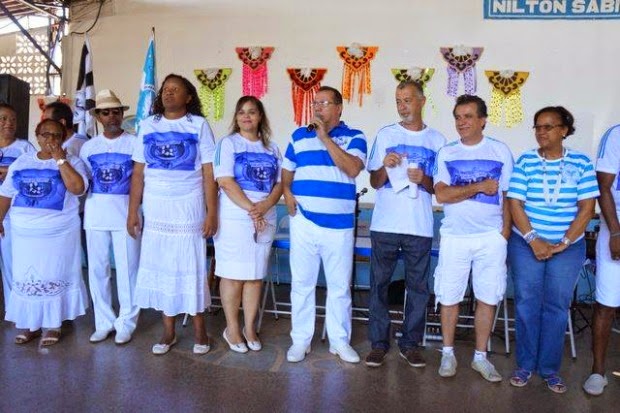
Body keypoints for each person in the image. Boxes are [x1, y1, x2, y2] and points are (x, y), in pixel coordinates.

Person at [507, 106, 598, 393]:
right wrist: (533, 239)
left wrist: (564, 243)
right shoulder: (526, 161)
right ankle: (525, 365)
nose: (541, 132)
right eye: (538, 127)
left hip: (568, 247)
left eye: (548, 126)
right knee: (526, 303)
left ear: (564, 130)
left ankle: (549, 369)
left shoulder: (581, 163)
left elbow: (587, 208)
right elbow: (515, 203)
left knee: (557, 306)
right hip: (526, 244)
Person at [128, 73, 218, 355]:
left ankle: (200, 330)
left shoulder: (198, 124)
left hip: (188, 204)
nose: (168, 93)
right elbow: (138, 172)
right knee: (162, 262)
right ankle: (168, 332)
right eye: (165, 89)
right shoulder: (148, 125)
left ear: (188, 97)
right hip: (156, 206)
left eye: (175, 89)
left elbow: (209, 172)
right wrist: (133, 211)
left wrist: (211, 213)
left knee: (190, 263)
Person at [282, 86, 367, 364]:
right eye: (315, 103)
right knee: (302, 283)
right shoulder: (298, 136)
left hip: (339, 225)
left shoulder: (355, 137)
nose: (317, 107)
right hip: (304, 221)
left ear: (339, 108)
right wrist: (287, 192)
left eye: (324, 103)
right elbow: (287, 172)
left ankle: (339, 341)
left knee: (339, 286)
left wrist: (324, 138)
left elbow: (352, 168)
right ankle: (300, 341)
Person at [364, 81, 446, 367]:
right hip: (385, 224)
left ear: (422, 101)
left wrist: (423, 179)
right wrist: (384, 166)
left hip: (419, 226)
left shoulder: (438, 140)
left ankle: (410, 344)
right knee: (379, 285)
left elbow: (440, 189)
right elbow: (375, 182)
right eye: (398, 100)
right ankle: (378, 343)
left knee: (419, 288)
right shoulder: (386, 134)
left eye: (408, 100)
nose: (402, 106)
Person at [433, 95, 513, 382]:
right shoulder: (447, 152)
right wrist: (479, 186)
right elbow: (442, 194)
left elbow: (508, 196)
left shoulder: (500, 151)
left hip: (491, 238)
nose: (461, 122)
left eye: (468, 116)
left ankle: (481, 357)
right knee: (449, 296)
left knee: (487, 297)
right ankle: (447, 353)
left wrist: (504, 234)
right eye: (458, 117)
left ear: (482, 120)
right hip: (455, 237)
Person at [0, 118, 89, 346]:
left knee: (54, 276)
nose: (51, 139)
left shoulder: (73, 162)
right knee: (27, 277)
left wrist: (60, 159)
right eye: (45, 134)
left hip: (58, 235)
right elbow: (7, 194)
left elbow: (78, 188)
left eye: (56, 135)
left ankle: (53, 325)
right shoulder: (21, 162)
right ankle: (31, 324)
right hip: (24, 235)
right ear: (37, 137)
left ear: (63, 138)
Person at [213, 96, 282, 353]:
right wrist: (252, 209)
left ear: (260, 116)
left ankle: (249, 327)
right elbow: (225, 181)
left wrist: (265, 206)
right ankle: (232, 328)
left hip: (265, 215)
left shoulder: (272, 148)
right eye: (241, 112)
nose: (246, 116)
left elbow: (280, 183)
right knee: (233, 275)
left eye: (252, 112)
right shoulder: (228, 143)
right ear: (236, 117)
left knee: (255, 275)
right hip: (235, 215)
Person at [80, 90, 140, 345]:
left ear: (122, 114)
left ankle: (126, 323)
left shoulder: (135, 143)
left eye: (116, 112)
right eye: (106, 113)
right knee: (97, 270)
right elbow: (83, 181)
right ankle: (103, 322)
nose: (112, 117)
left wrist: (135, 212)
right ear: (98, 117)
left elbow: (141, 181)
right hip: (95, 215)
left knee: (128, 270)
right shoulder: (88, 147)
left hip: (127, 214)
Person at [583, 124, 620, 395]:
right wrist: (615, 233)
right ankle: (598, 372)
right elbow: (603, 186)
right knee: (606, 303)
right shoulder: (616, 135)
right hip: (615, 223)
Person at [0, 103, 35, 310]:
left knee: (12, 262)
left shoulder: (25, 148)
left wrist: (7, 171)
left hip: (12, 214)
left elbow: (33, 173)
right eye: (3, 119)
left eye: (12, 119)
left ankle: (15, 309)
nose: (9, 123)